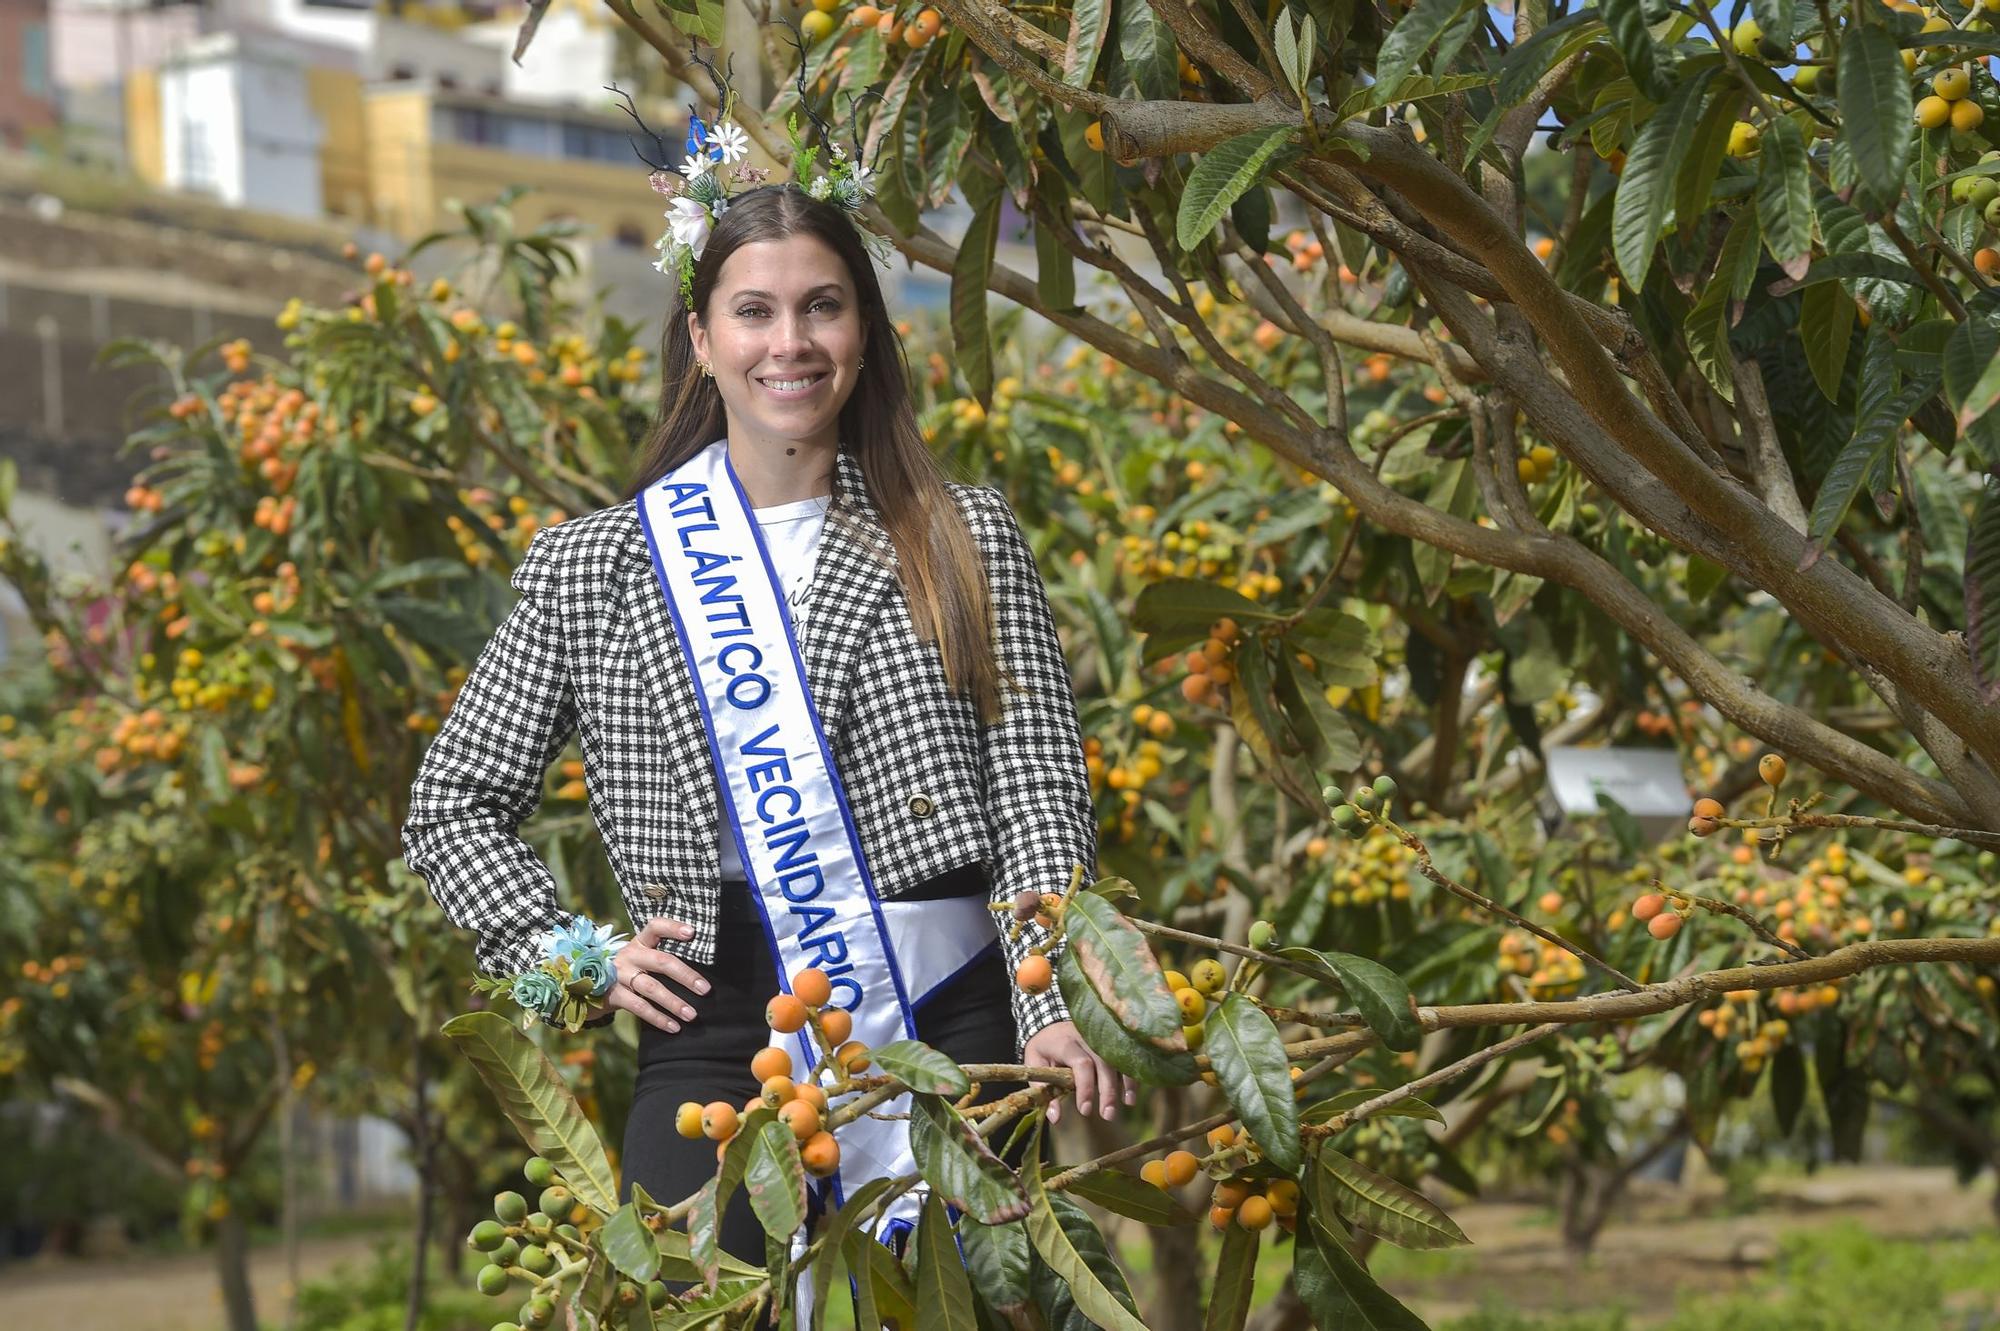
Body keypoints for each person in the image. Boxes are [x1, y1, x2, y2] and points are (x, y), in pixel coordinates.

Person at [399, 175, 1137, 1284]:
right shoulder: (596, 564)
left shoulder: (959, 532)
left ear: (864, 332)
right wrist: (569, 956)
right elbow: (449, 803)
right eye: (753, 310)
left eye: (821, 306)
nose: (788, 342)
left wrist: (1049, 1002)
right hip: (713, 1018)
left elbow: (1035, 790)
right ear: (699, 337)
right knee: (698, 1306)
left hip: (946, 1006)